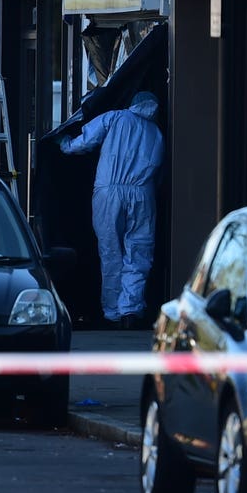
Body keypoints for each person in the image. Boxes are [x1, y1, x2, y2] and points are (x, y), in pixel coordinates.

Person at [59, 90, 164, 330]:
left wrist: (65, 145)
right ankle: (130, 310)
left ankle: (113, 311)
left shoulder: (115, 118)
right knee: (138, 253)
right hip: (142, 195)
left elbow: (85, 141)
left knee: (110, 251)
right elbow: (159, 175)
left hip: (109, 193)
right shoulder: (156, 133)